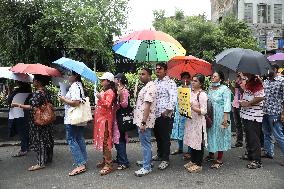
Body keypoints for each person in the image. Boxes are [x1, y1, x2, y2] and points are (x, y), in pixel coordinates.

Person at [12, 75, 54, 171]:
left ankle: (40, 163)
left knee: (39, 140)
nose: (33, 82)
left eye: (34, 80)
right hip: (47, 119)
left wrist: (18, 105)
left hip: (38, 120)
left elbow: (32, 107)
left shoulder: (37, 93)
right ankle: (48, 158)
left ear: (38, 82)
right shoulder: (47, 91)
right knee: (47, 138)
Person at [59, 71, 87, 176]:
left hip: (71, 118)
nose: (68, 77)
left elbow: (76, 102)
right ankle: (83, 160)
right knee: (79, 138)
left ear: (75, 76)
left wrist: (63, 99)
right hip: (78, 117)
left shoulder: (75, 86)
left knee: (71, 139)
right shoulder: (79, 85)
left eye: (70, 75)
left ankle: (80, 164)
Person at [153, 63, 177, 170]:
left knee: (165, 137)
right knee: (157, 136)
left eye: (160, 69)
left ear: (165, 70)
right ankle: (159, 154)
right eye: (156, 68)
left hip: (164, 115)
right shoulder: (154, 82)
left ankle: (165, 159)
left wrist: (167, 111)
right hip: (155, 114)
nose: (158, 70)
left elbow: (173, 98)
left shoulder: (170, 82)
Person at [134, 68, 157, 177]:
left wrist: (143, 122)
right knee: (145, 143)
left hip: (145, 121)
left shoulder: (151, 87)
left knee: (145, 144)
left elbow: (147, 105)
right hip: (141, 120)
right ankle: (147, 162)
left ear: (149, 75)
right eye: (140, 74)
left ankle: (146, 167)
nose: (140, 76)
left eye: (143, 74)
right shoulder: (146, 86)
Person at [206, 71, 231, 169]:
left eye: (215, 76)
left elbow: (227, 104)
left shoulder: (225, 89)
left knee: (220, 135)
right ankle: (211, 154)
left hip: (221, 115)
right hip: (211, 115)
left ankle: (219, 158)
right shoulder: (210, 88)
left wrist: (225, 118)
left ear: (220, 79)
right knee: (211, 133)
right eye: (212, 76)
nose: (212, 77)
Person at [183, 74, 208, 173]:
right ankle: (193, 160)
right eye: (192, 80)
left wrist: (193, 108)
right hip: (191, 121)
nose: (192, 82)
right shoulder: (191, 92)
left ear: (201, 83)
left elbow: (204, 111)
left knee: (198, 143)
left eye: (195, 81)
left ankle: (198, 164)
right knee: (192, 141)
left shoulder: (202, 95)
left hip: (198, 122)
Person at [93, 72, 116, 175]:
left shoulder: (110, 92)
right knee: (103, 140)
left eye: (103, 80)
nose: (102, 81)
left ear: (109, 81)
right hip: (101, 119)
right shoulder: (104, 90)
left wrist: (100, 98)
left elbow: (108, 104)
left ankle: (109, 164)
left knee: (106, 141)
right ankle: (105, 160)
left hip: (105, 120)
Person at [239, 73, 264, 169]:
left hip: (254, 115)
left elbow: (261, 97)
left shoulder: (256, 82)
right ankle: (250, 155)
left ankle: (257, 160)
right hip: (247, 114)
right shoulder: (249, 81)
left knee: (254, 138)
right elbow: (249, 94)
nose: (242, 72)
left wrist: (248, 103)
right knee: (249, 136)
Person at [262, 70, 284, 166]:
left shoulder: (281, 81)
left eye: (268, 69)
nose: (267, 71)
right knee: (266, 133)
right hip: (265, 112)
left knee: (278, 135)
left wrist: (283, 113)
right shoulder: (266, 81)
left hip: (275, 112)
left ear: (275, 70)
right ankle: (268, 152)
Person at [171, 72, 192, 160]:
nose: (185, 80)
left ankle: (189, 151)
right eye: (183, 78)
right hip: (179, 113)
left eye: (187, 78)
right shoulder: (178, 88)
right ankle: (180, 148)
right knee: (179, 131)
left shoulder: (192, 89)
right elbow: (175, 100)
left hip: (188, 114)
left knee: (188, 132)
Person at [8, 81, 32, 157]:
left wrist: (10, 91)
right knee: (26, 130)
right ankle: (27, 147)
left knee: (22, 132)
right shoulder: (29, 90)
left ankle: (23, 149)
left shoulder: (16, 91)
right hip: (26, 113)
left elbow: (9, 100)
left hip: (18, 113)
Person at [113, 73, 130, 170]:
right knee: (117, 139)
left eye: (115, 79)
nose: (113, 81)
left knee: (120, 139)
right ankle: (120, 158)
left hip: (121, 119)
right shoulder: (118, 90)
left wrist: (120, 95)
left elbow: (124, 105)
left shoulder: (124, 91)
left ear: (119, 80)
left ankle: (124, 162)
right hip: (117, 118)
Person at [232, 73, 244, 147]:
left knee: (244, 125)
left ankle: (248, 144)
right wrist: (232, 87)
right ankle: (239, 141)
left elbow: (244, 91)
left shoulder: (245, 79)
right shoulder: (237, 80)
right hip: (235, 104)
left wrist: (239, 86)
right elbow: (235, 93)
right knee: (237, 124)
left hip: (242, 104)